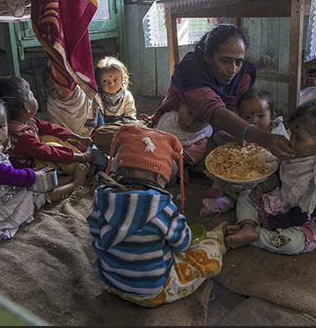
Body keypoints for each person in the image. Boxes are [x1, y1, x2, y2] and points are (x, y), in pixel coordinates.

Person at [87, 124, 227, 307]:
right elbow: (183, 244)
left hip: (110, 283)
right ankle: (217, 238)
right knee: (209, 253)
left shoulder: (101, 200)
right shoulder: (163, 209)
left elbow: (95, 233)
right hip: (151, 292)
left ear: (119, 170)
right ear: (161, 177)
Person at [0, 93, 88, 247]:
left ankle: (68, 178)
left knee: (37, 182)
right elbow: (12, 176)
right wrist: (33, 174)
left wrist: (32, 171)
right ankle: (75, 182)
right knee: (35, 194)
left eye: (1, 125)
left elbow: (8, 162)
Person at [143, 23, 294, 163]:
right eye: (225, 61)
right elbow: (214, 111)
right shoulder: (189, 70)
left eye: (238, 62)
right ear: (207, 56)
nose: (233, 69)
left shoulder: (242, 76)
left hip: (212, 128)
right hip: (178, 124)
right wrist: (264, 138)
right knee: (157, 155)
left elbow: (234, 113)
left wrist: (223, 135)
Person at [224, 97, 316, 254]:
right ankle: (248, 226)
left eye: (298, 137)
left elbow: (308, 212)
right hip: (284, 200)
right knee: (246, 195)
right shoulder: (301, 152)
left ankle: (258, 235)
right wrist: (263, 187)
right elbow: (282, 175)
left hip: (303, 219)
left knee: (291, 243)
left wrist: (273, 222)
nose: (291, 141)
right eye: (292, 133)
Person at [201, 88, 290, 217]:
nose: (254, 121)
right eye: (247, 117)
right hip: (238, 172)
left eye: (260, 116)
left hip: (264, 178)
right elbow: (218, 134)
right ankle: (218, 189)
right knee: (223, 169)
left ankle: (227, 202)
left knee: (250, 193)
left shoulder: (277, 135)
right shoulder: (240, 131)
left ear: (272, 116)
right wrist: (227, 141)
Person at [0, 75, 96, 177]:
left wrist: (79, 139)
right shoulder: (21, 137)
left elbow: (51, 128)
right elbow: (48, 153)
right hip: (32, 168)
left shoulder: (28, 120)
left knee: (48, 135)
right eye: (32, 95)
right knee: (51, 145)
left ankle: (81, 159)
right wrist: (80, 157)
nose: (34, 97)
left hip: (36, 154)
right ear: (26, 108)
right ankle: (80, 169)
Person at [154, 102, 213, 185]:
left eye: (199, 120)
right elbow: (154, 134)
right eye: (189, 113)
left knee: (165, 171)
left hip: (173, 159)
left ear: (208, 123)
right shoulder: (167, 119)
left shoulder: (202, 137)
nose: (191, 121)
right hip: (153, 150)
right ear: (181, 106)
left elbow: (184, 157)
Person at [43, 63, 104, 137]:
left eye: (63, 86)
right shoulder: (53, 107)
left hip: (93, 138)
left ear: (73, 82)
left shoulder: (87, 96)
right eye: (52, 89)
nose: (59, 92)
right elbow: (57, 132)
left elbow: (100, 126)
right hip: (69, 142)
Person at [94, 55, 137, 123]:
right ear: (98, 82)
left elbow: (130, 115)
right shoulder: (97, 96)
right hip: (104, 127)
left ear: (122, 78)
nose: (111, 84)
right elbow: (97, 117)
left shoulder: (126, 96)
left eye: (115, 80)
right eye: (105, 81)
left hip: (123, 126)